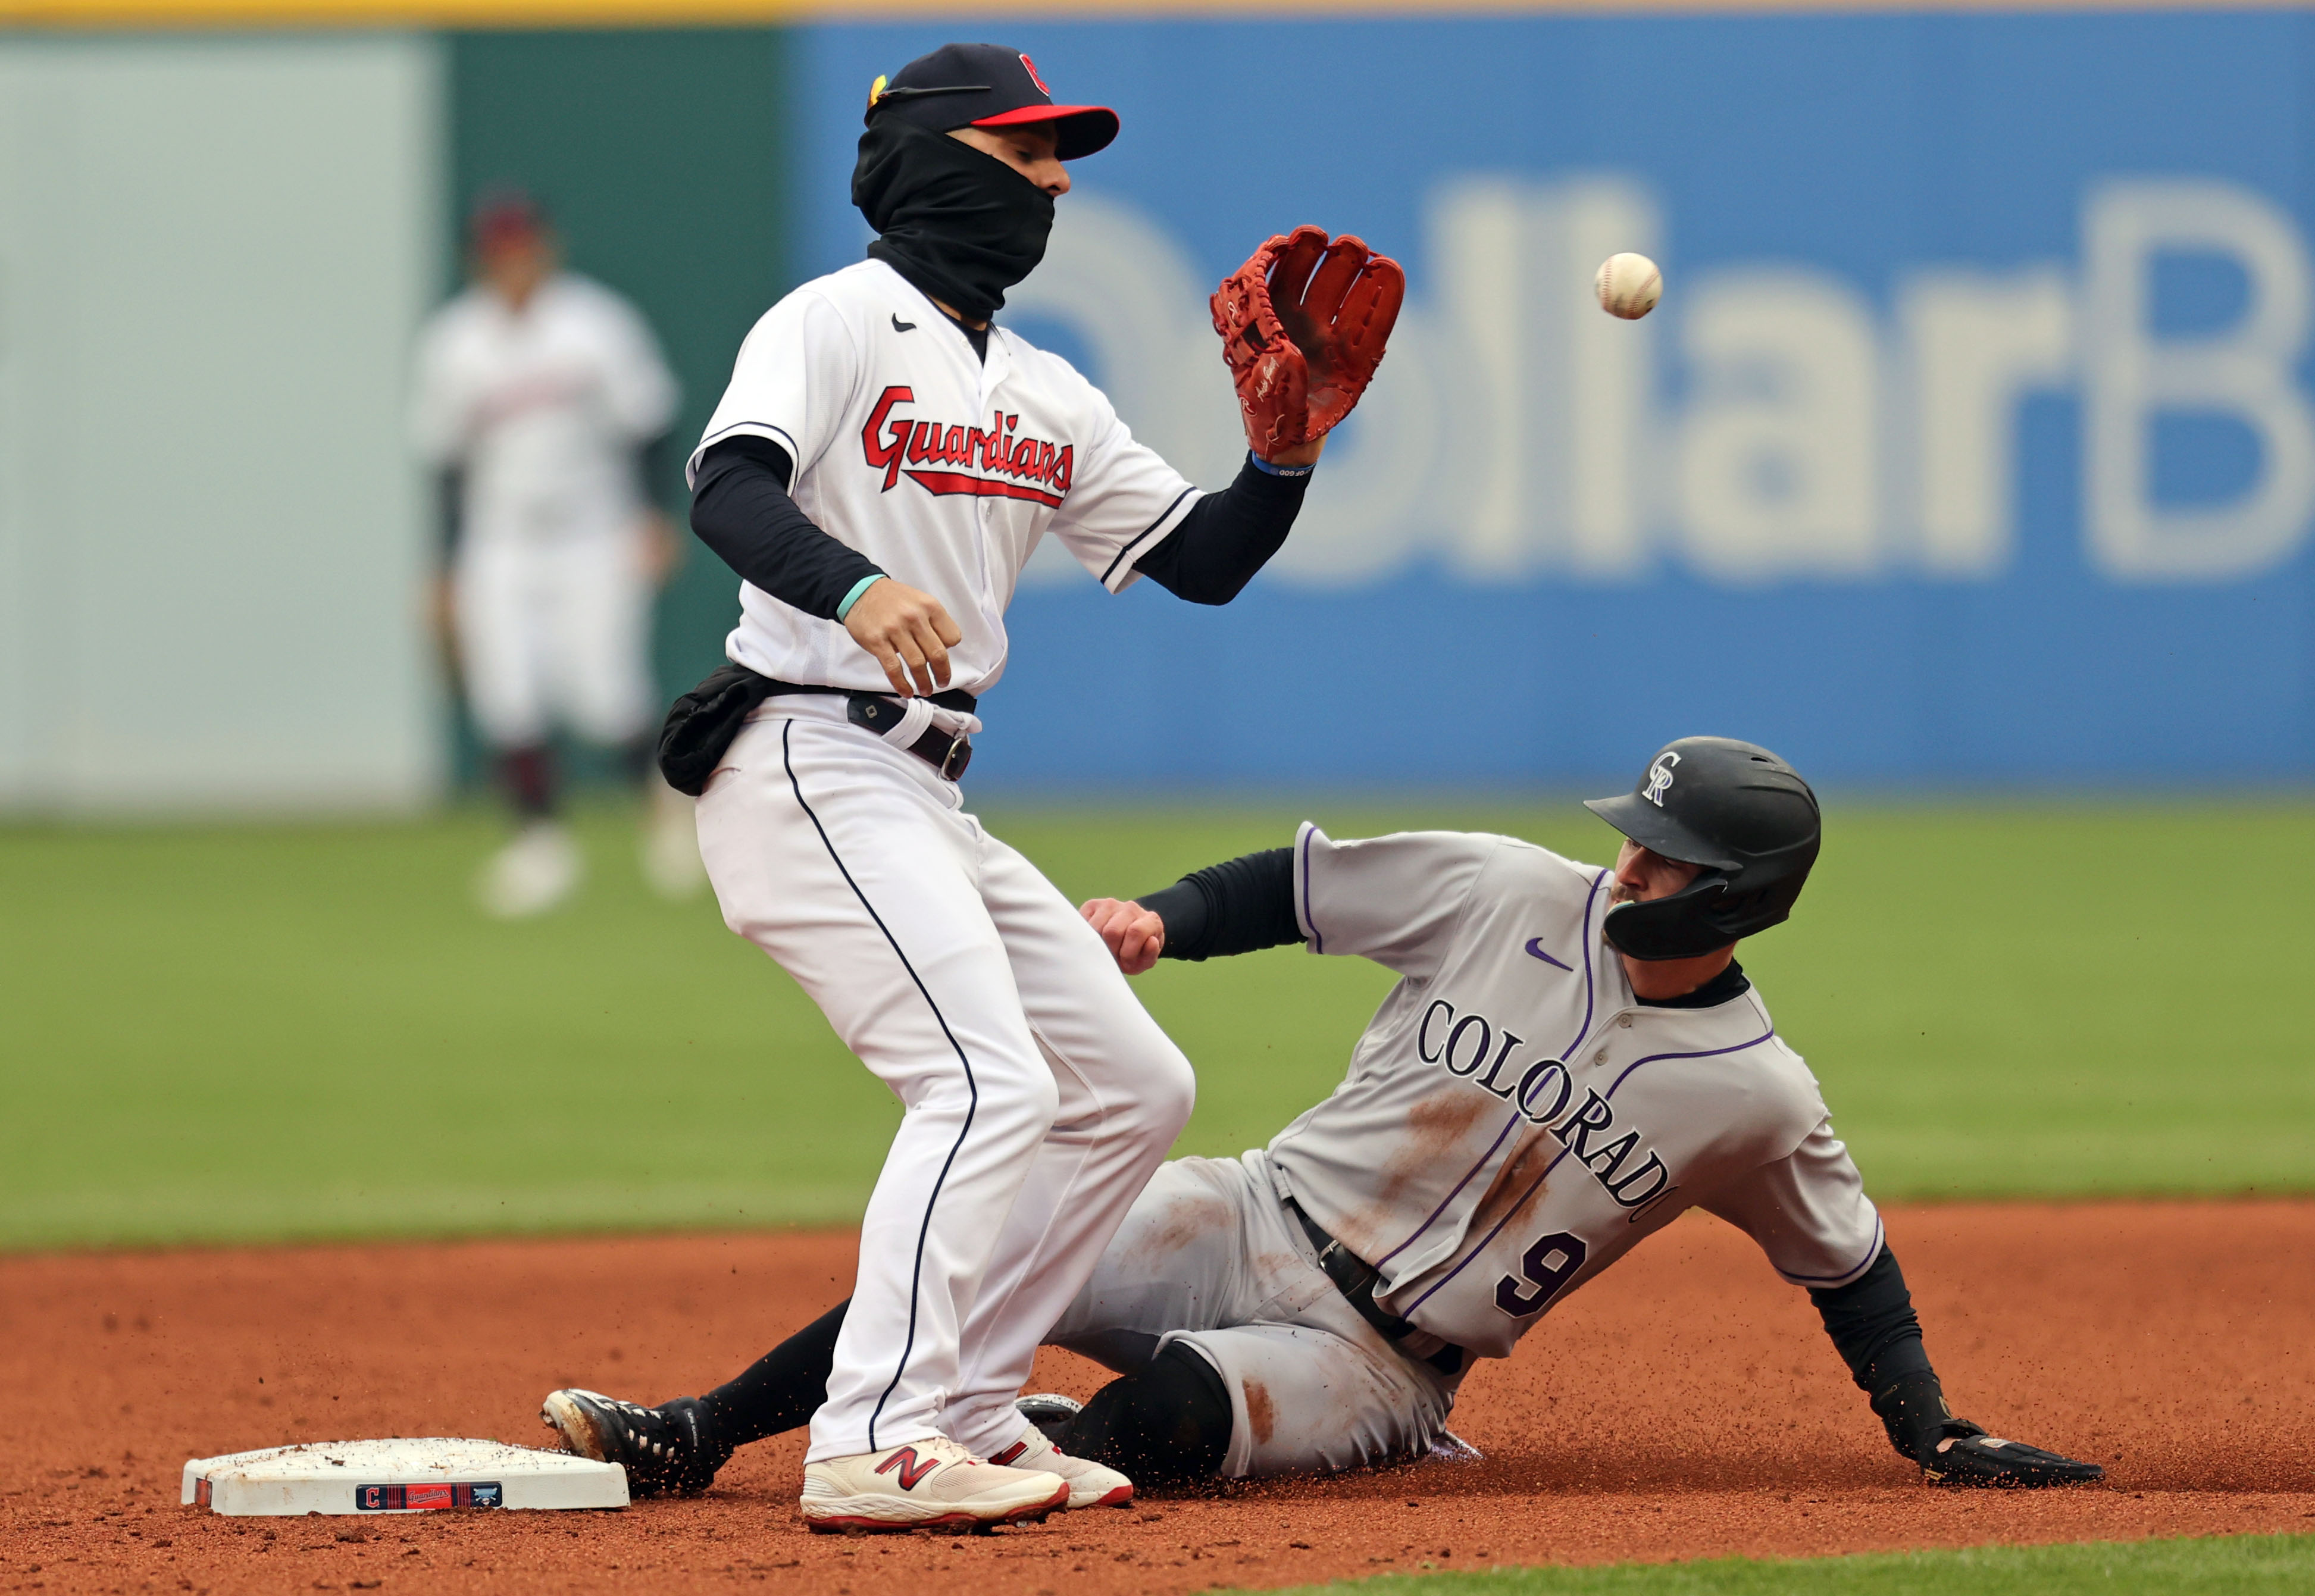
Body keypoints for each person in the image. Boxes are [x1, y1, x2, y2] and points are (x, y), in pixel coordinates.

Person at [537, 43, 1401, 1532]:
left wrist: (1284, 457)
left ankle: (960, 1401)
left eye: (1061, 157)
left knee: (1135, 1086)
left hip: (925, 794)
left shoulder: (1042, 389)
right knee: (986, 1079)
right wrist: (855, 584)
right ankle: (866, 1436)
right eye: (1027, 154)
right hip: (805, 754)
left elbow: (1195, 565)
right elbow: (727, 484)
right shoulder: (832, 321)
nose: (1058, 183)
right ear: (934, 160)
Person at [539, 737, 2105, 1492]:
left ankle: (1056, 1446)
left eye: (1669, 858)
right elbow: (1298, 890)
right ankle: (697, 1436)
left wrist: (1933, 1428)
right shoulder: (1504, 886)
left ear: (1746, 894)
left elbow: (1850, 1262)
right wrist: (1158, 919)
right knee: (979, 1240)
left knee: (1160, 1435)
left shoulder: (1754, 1097)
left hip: (1371, 1364)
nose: (1631, 866)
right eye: (1635, 839)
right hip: (1245, 1207)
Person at [411, 191, 698, 918]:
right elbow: (444, 462)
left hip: (591, 533)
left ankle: (665, 815)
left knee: (605, 694)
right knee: (507, 693)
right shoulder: (454, 342)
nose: (511, 264)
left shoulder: (595, 324)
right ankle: (540, 844)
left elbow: (648, 424)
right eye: (497, 253)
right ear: (477, 261)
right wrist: (445, 566)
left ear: (546, 248)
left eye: (522, 248)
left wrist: (654, 518)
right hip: (499, 540)